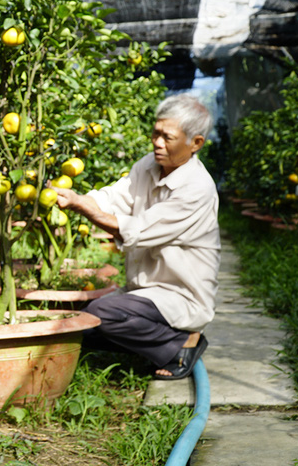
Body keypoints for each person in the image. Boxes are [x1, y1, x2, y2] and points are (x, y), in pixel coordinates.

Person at [51, 94, 220, 380]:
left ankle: (182, 343)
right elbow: (114, 197)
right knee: (81, 325)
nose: (157, 142)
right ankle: (149, 340)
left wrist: (82, 207)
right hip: (143, 292)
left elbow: (137, 230)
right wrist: (76, 199)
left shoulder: (197, 190)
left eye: (167, 137)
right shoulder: (149, 165)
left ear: (196, 143)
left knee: (103, 313)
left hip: (180, 296)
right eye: (155, 133)